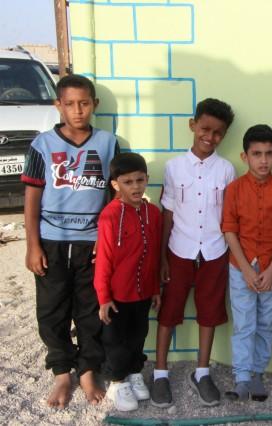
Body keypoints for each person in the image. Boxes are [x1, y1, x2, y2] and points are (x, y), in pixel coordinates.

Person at [22, 74, 119, 408]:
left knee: (90, 309)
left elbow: (113, 195)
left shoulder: (108, 143)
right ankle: (62, 371)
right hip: (51, 241)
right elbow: (32, 197)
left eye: (84, 103)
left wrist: (105, 239)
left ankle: (88, 369)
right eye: (70, 104)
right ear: (58, 105)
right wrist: (32, 245)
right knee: (52, 309)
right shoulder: (42, 145)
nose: (78, 110)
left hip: (92, 243)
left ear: (95, 105)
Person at [151, 98, 235, 408]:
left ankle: (202, 372)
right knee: (169, 310)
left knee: (209, 312)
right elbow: (168, 214)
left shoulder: (226, 170)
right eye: (205, 129)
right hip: (179, 250)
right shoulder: (174, 167)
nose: (210, 137)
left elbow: (229, 216)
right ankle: (160, 372)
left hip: (214, 251)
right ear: (192, 125)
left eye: (218, 132)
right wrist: (162, 258)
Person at [221, 124, 272, 401]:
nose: (263, 160)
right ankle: (242, 377)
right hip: (241, 267)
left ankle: (258, 373)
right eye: (256, 154)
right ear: (244, 156)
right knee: (244, 323)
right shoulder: (234, 189)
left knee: (266, 323)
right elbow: (229, 230)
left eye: (269, 154)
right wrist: (247, 270)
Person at [94, 153, 162, 411]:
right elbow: (103, 260)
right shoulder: (110, 216)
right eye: (128, 182)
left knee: (139, 334)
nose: (135, 187)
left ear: (147, 179)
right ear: (116, 184)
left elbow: (154, 255)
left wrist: (155, 289)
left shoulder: (152, 213)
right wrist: (104, 297)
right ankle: (117, 381)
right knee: (116, 341)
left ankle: (134, 372)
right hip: (117, 296)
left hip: (143, 293)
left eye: (140, 180)